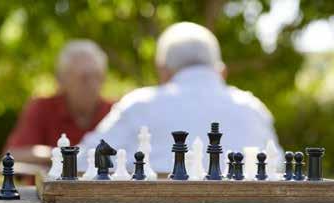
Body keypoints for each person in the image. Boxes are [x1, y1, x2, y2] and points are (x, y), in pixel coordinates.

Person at [79, 22, 282, 173]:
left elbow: (82, 160)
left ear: (163, 71)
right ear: (222, 72)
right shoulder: (254, 109)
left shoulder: (138, 106)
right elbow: (279, 166)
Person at [5, 40, 113, 165]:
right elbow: (12, 155)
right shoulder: (42, 108)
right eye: (84, 78)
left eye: (98, 76)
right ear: (61, 80)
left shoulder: (115, 111)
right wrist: (61, 155)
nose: (93, 84)